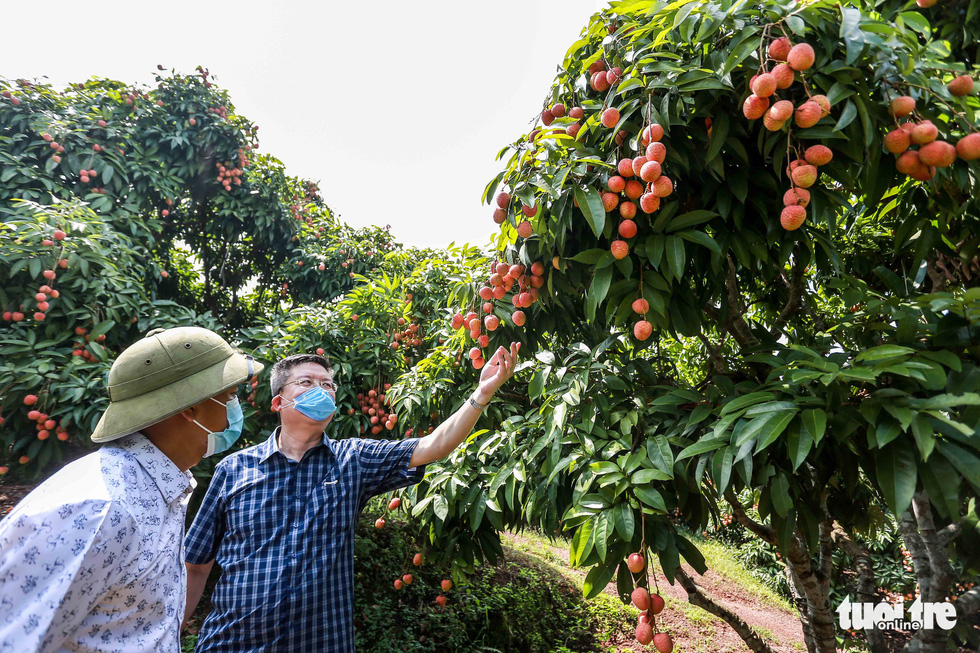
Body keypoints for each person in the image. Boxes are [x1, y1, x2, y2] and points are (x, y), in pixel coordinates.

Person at [183, 342, 521, 652]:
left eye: (328, 385)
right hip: (230, 643)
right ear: (278, 401)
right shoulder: (233, 469)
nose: (322, 390)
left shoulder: (353, 460)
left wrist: (481, 393)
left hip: (320, 643)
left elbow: (433, 445)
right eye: (307, 383)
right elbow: (196, 565)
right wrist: (174, 630)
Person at [0, 326, 263, 653]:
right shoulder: (100, 509)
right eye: (231, 394)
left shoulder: (160, 489)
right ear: (190, 407)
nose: (235, 407)